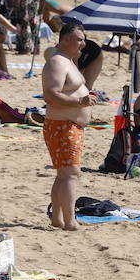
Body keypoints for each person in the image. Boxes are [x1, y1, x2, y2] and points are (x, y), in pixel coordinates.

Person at [42, 21, 97, 232]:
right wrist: (79, 102)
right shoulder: (57, 61)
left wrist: (86, 97)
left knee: (63, 174)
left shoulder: (67, 60)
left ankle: (57, 218)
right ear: (66, 39)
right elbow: (51, 94)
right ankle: (69, 220)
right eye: (80, 40)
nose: (83, 44)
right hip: (62, 124)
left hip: (69, 124)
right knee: (71, 174)